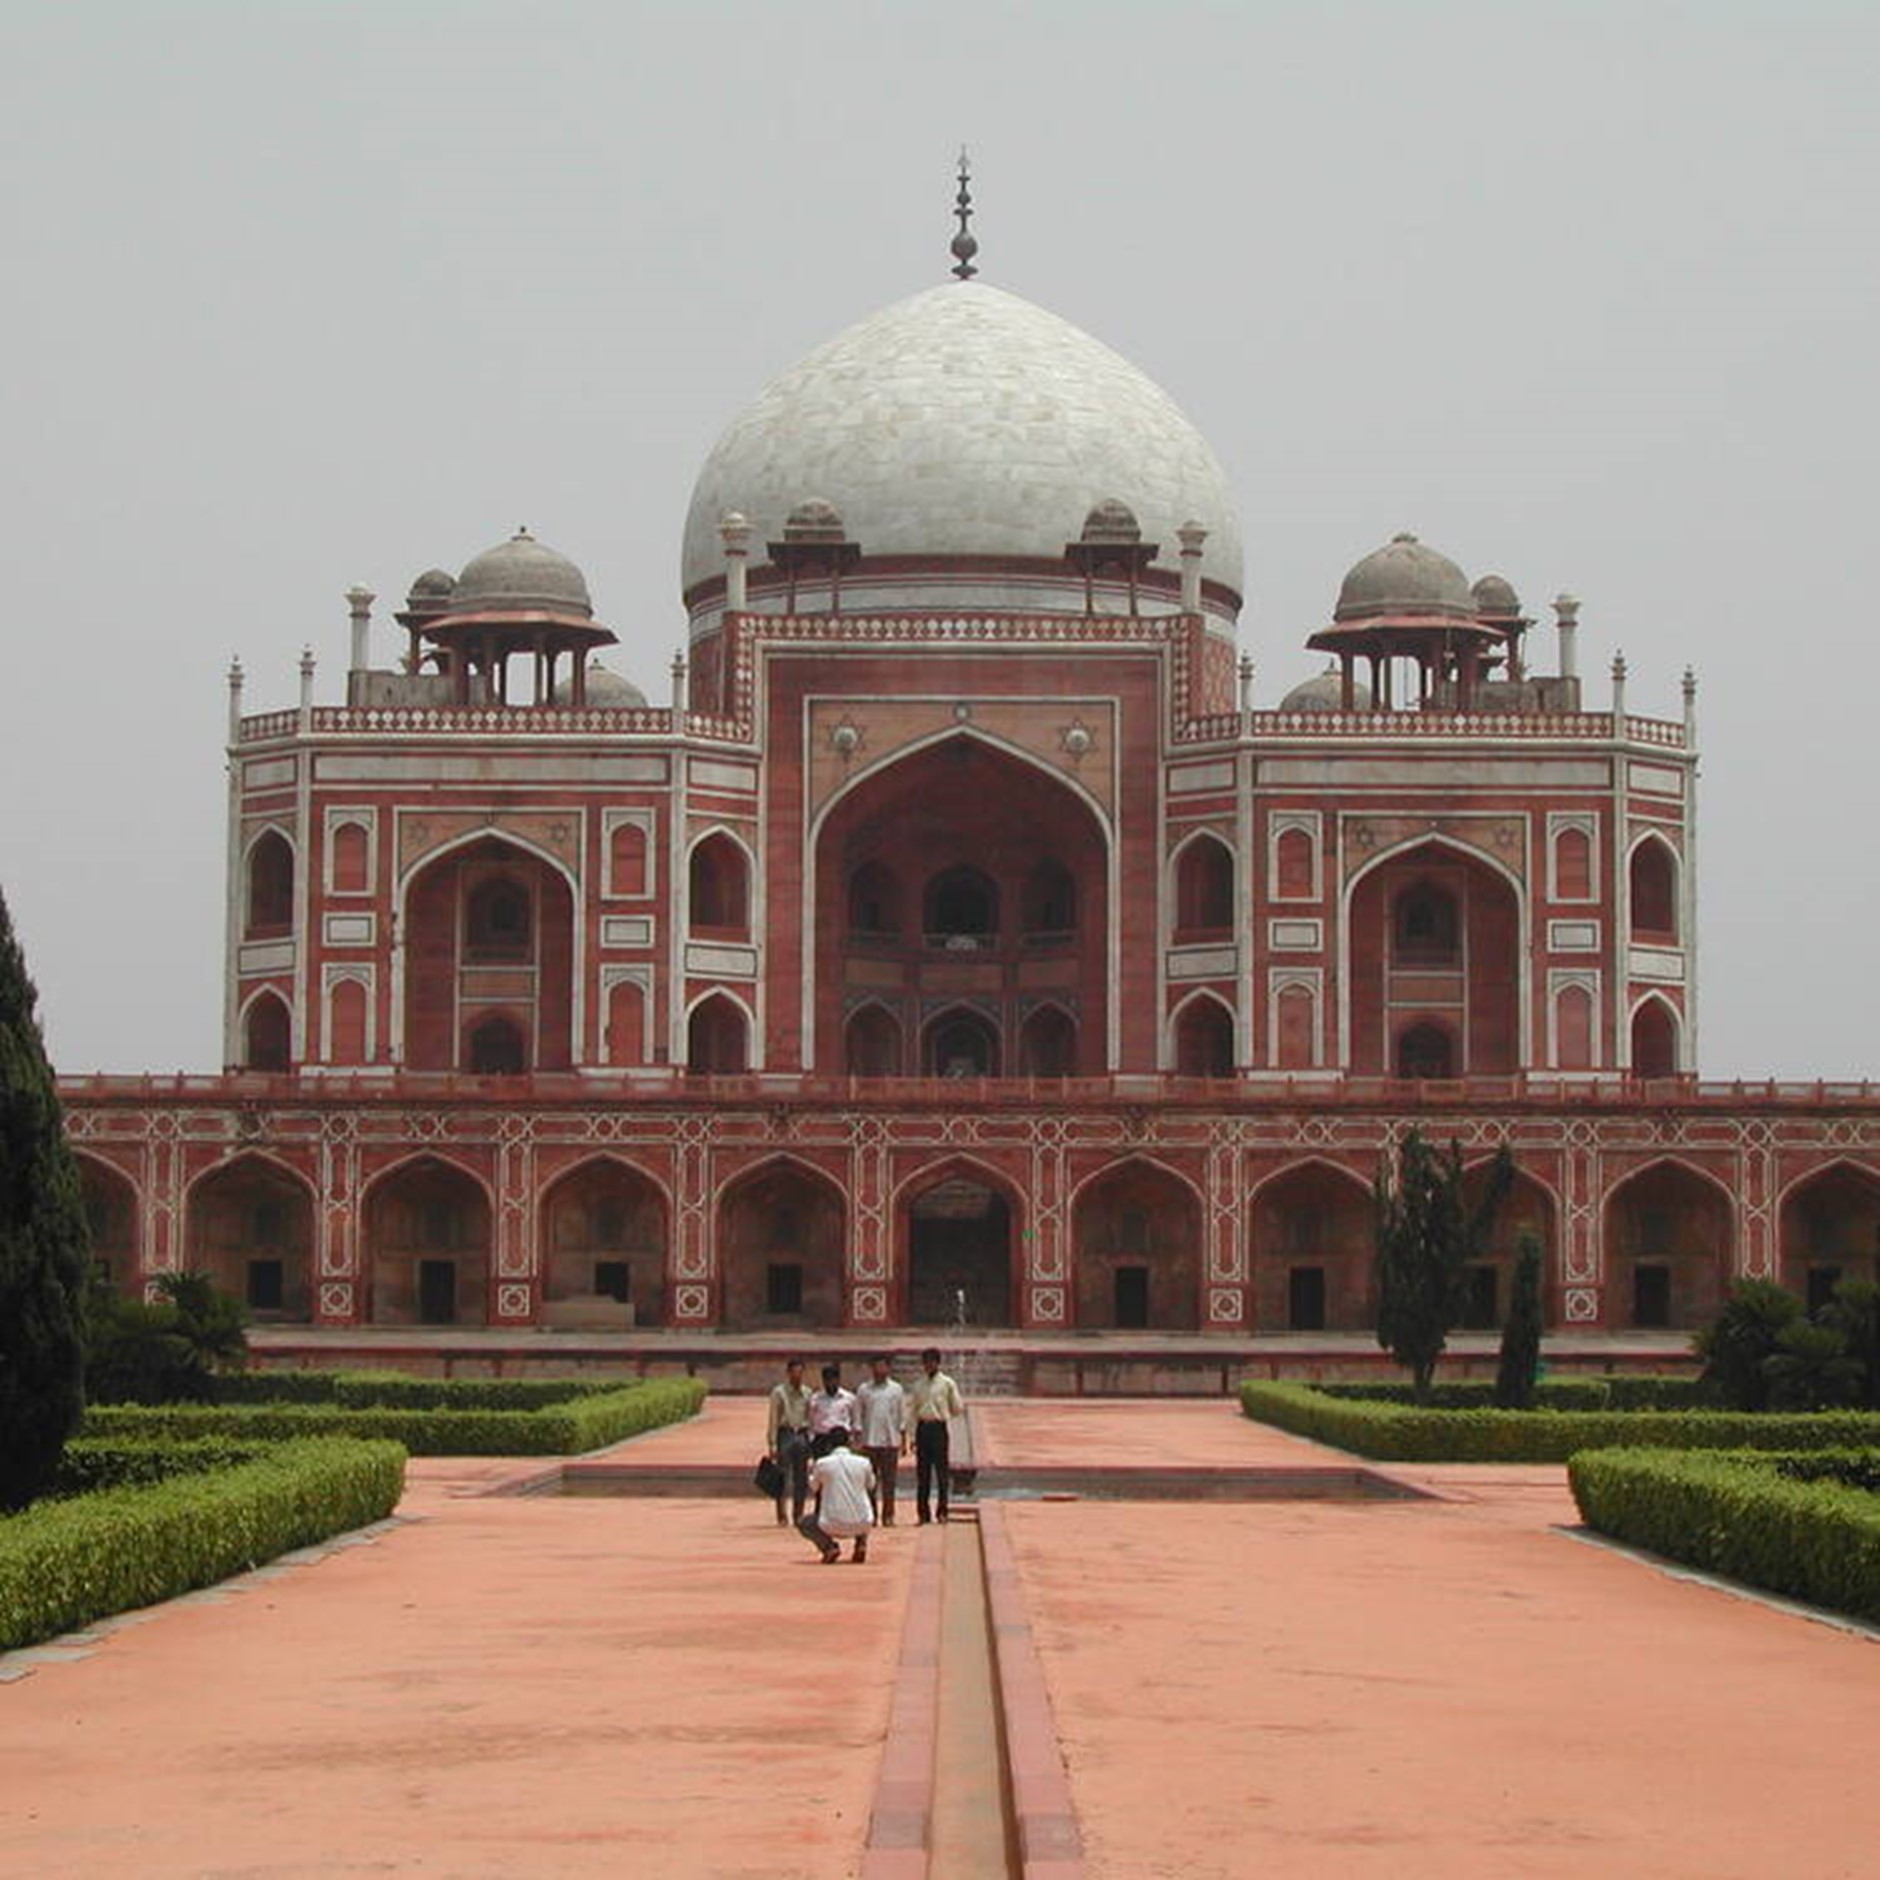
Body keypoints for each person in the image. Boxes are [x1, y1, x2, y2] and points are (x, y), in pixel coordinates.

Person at [798, 1428, 876, 1564]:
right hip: (863, 1522)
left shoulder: (822, 1464)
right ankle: (861, 1543)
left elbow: (813, 1487)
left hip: (830, 1523)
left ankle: (828, 1547)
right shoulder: (864, 1463)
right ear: (849, 1442)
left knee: (804, 1522)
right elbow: (871, 1485)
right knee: (863, 1504)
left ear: (829, 1445)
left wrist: (811, 1472)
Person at [906, 1345, 963, 1524]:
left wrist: (943, 1415)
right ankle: (923, 1514)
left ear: (938, 1363)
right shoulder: (918, 1385)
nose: (928, 1365)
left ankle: (942, 1512)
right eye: (926, 1362)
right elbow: (912, 1412)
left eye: (932, 1362)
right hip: (923, 1429)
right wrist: (912, 1437)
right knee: (922, 1476)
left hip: (939, 1429)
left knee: (942, 1474)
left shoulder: (947, 1383)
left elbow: (957, 1407)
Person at [854, 1354, 908, 1526]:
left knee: (889, 1482)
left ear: (888, 1369)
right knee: (870, 1482)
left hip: (890, 1442)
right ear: (872, 1369)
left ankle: (889, 1515)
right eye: (877, 1367)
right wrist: (857, 1438)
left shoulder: (896, 1389)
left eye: (883, 1367)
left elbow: (901, 1416)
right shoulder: (864, 1390)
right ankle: (872, 1515)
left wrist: (903, 1440)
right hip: (869, 1441)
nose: (880, 1371)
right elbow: (858, 1415)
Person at [765, 1356, 813, 1527]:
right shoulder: (779, 1392)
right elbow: (773, 1418)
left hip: (801, 1434)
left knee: (801, 1478)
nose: (797, 1376)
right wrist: (772, 1443)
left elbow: (811, 1418)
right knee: (782, 1477)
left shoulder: (808, 1393)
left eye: (800, 1373)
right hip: (784, 1434)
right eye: (794, 1373)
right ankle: (781, 1513)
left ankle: (798, 1513)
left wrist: (811, 1441)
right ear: (788, 1373)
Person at [807, 1362, 860, 1457]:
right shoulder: (815, 1398)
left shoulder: (849, 1398)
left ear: (838, 1380)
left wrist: (854, 1439)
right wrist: (811, 1439)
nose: (830, 1383)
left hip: (842, 1439)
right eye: (827, 1380)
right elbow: (811, 1420)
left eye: (832, 1379)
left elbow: (855, 1419)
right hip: (822, 1439)